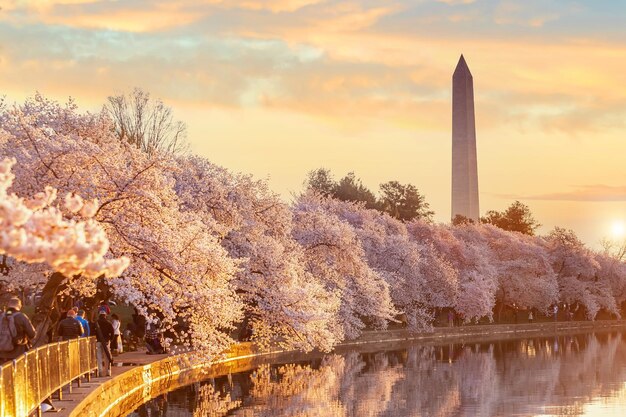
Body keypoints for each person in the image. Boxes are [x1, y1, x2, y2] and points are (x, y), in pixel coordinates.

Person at [0, 297, 36, 364]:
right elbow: (32, 334)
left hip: (1, 354)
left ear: (8, 305)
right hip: (17, 353)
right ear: (19, 306)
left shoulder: (1, 316)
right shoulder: (21, 317)